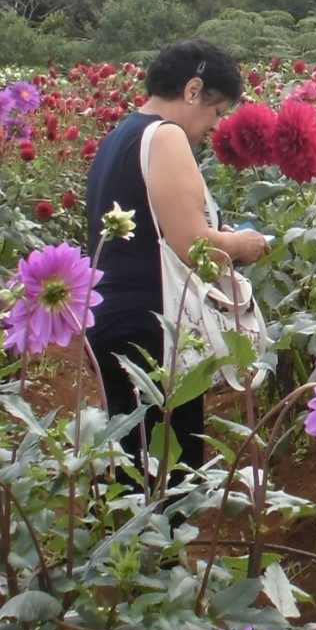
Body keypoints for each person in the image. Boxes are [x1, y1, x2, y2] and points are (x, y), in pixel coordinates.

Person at [85, 38, 269, 489]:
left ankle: (124, 553)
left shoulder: (116, 139)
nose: (214, 126)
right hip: (152, 331)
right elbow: (195, 246)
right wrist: (246, 244)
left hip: (107, 319)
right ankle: (159, 558)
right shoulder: (164, 136)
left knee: (131, 459)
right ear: (192, 90)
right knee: (170, 466)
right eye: (217, 110)